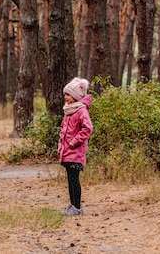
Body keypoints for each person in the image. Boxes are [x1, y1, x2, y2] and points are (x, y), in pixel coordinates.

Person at [58, 77, 93, 216]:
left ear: (76, 96)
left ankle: (77, 207)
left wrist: (74, 142)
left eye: (68, 94)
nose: (65, 97)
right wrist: (61, 146)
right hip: (66, 152)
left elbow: (87, 128)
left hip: (75, 152)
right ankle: (72, 204)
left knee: (74, 179)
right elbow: (63, 129)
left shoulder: (81, 110)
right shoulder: (68, 111)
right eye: (65, 95)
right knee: (69, 179)